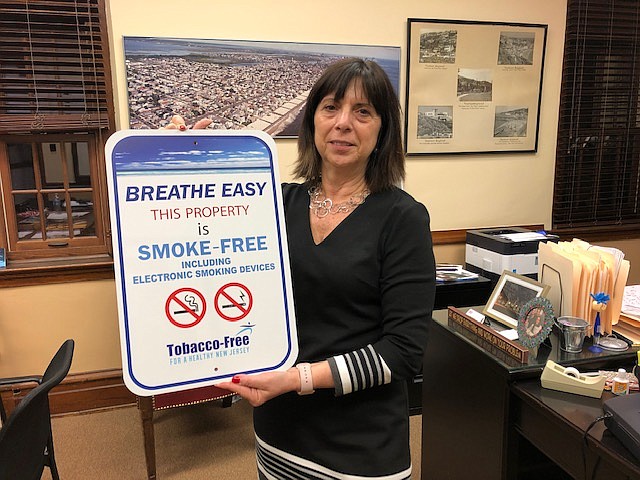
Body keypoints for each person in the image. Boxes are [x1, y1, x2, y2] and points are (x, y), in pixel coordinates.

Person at [172, 57, 436, 480]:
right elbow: (202, 245)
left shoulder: (402, 219)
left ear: (383, 129)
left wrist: (298, 379)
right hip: (278, 434)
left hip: (359, 450)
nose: (343, 123)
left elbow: (403, 353)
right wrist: (176, 161)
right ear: (312, 119)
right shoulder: (278, 203)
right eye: (331, 107)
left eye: (363, 111)